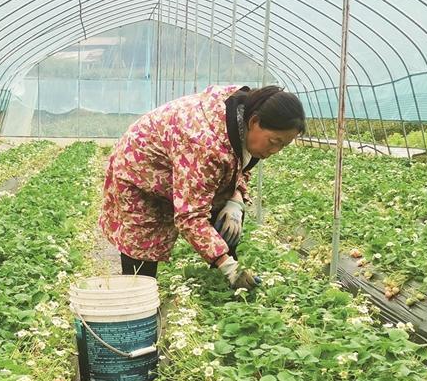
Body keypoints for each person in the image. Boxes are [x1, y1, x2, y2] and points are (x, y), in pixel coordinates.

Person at [99, 84, 305, 289]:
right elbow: (190, 216)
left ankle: (225, 285)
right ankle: (136, 299)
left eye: (283, 145)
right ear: (254, 121)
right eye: (274, 141)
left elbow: (237, 165)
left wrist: (236, 198)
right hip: (139, 172)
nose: (275, 150)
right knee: (142, 250)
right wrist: (227, 266)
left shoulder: (242, 116)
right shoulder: (205, 143)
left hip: (182, 164)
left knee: (226, 216)